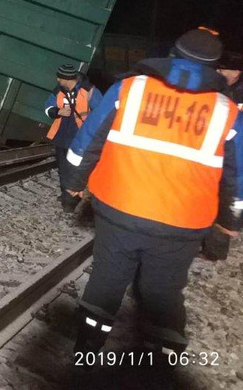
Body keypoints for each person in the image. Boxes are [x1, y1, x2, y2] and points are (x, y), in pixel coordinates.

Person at [62, 27, 243, 360]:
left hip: (119, 208)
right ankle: (162, 358)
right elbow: (237, 180)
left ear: (172, 54)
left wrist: (72, 185)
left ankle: (87, 347)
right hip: (183, 224)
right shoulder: (227, 112)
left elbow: (87, 143)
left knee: (108, 278)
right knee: (163, 290)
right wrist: (228, 226)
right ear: (215, 68)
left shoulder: (128, 90)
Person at [201, 50, 243, 261]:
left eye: (222, 68)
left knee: (226, 197)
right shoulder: (218, 88)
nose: (218, 71)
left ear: (235, 71)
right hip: (218, 148)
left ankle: (214, 251)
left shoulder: (238, 93)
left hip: (235, 151)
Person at [43, 64, 102, 212]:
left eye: (60, 77)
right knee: (63, 168)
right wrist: (58, 111)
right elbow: (47, 108)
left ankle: (71, 200)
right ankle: (66, 195)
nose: (57, 79)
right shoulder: (58, 91)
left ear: (67, 78)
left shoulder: (88, 91)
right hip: (61, 135)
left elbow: (101, 112)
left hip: (81, 138)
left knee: (75, 169)